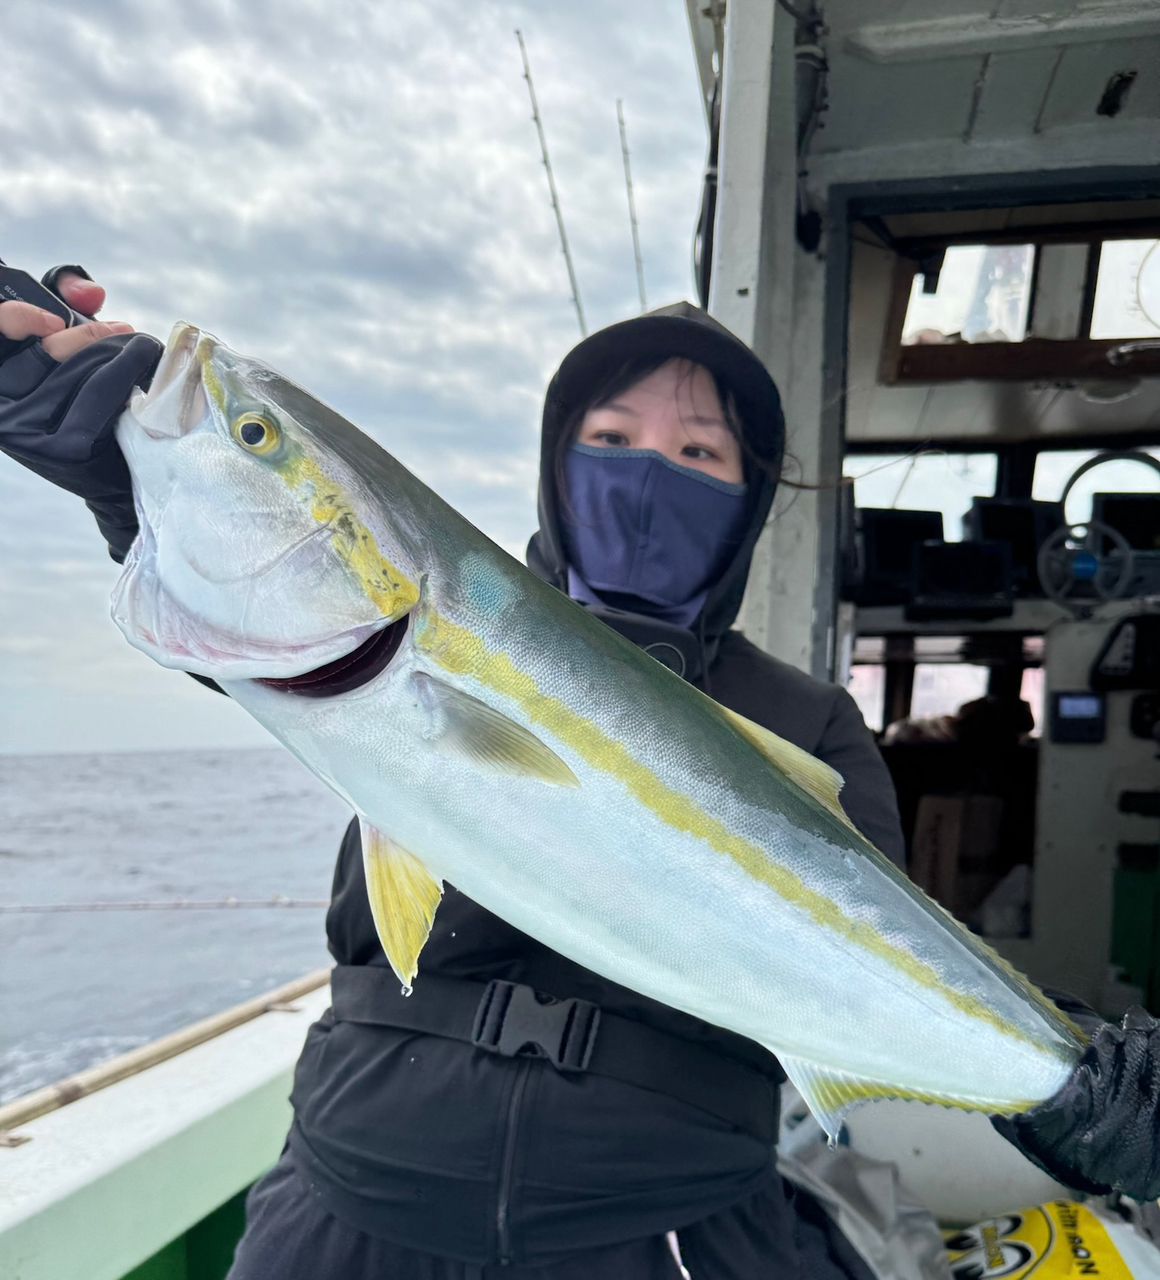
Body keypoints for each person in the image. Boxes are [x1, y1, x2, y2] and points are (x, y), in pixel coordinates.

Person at [2, 272, 1157, 1279]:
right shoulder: (404, 634)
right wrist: (129, 478)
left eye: (698, 452)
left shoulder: (804, 716)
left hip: (657, 1223)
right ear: (556, 462)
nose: (651, 471)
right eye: (610, 439)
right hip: (352, 1194)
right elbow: (274, 614)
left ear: (748, 496)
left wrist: (1056, 1081)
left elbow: (854, 964)